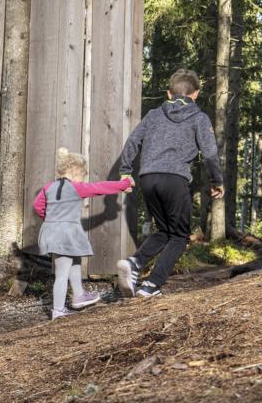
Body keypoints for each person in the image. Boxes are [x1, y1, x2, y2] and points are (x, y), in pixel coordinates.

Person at [116, 68, 224, 298]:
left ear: (169, 93)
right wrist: (217, 180)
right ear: (195, 94)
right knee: (179, 236)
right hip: (174, 179)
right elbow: (211, 154)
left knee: (164, 230)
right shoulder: (199, 117)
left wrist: (126, 170)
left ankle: (134, 262)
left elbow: (133, 141)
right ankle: (152, 284)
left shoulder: (154, 115)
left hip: (148, 178)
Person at [34, 148, 133, 319]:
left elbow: (38, 205)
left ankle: (79, 295)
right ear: (75, 171)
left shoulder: (48, 187)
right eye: (82, 175)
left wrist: (50, 219)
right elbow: (100, 187)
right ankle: (57, 310)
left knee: (75, 259)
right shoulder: (76, 187)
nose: (83, 179)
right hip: (66, 234)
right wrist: (122, 185)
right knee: (62, 272)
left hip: (51, 231)